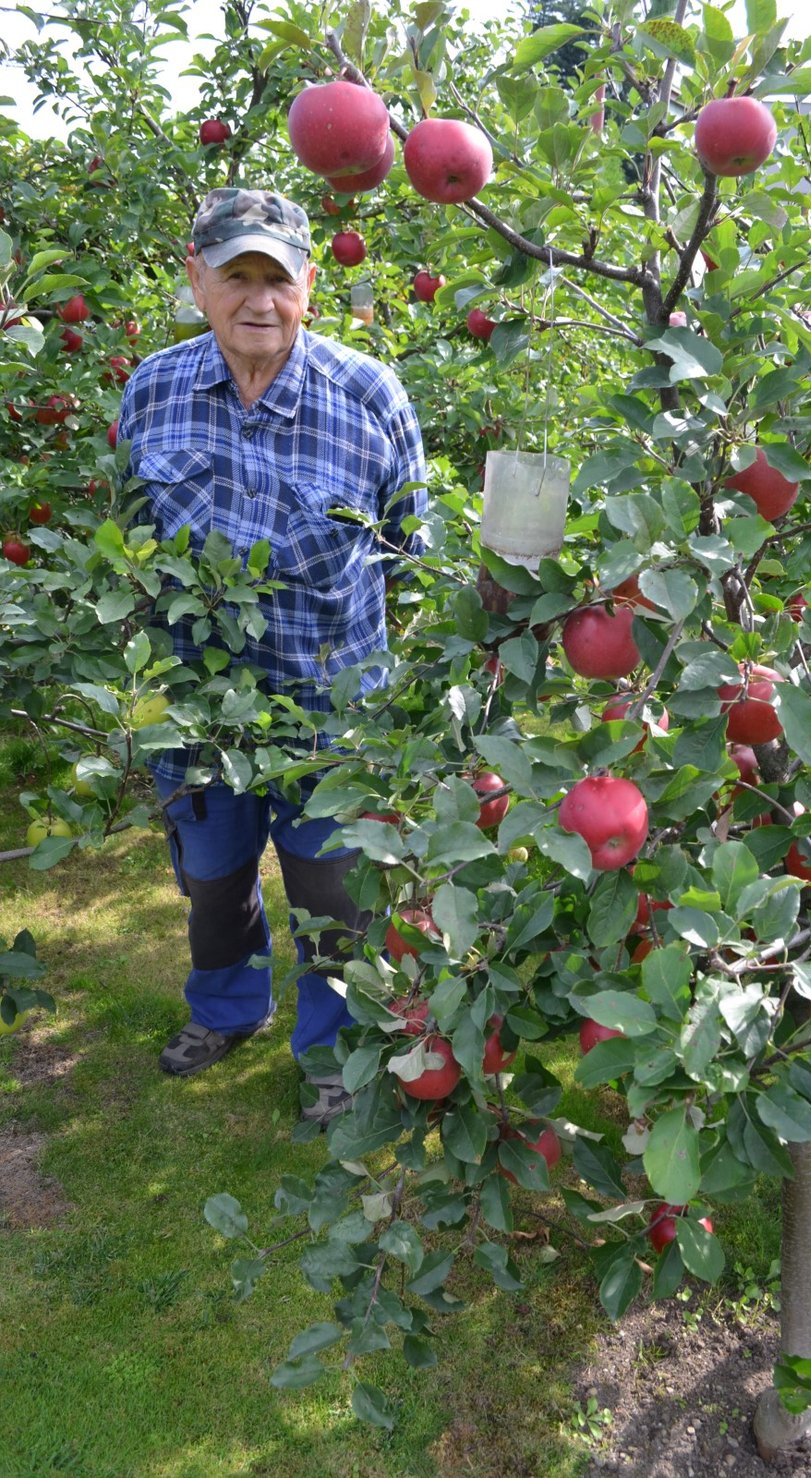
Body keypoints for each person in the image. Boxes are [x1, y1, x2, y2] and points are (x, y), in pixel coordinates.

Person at [117, 187, 427, 1125]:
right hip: (200, 716)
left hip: (331, 717)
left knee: (333, 900)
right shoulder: (153, 390)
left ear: (309, 287)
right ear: (197, 279)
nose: (258, 300)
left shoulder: (367, 395)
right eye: (237, 276)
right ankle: (225, 1010)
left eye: (277, 280)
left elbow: (416, 551)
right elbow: (128, 541)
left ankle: (331, 1049)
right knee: (212, 886)